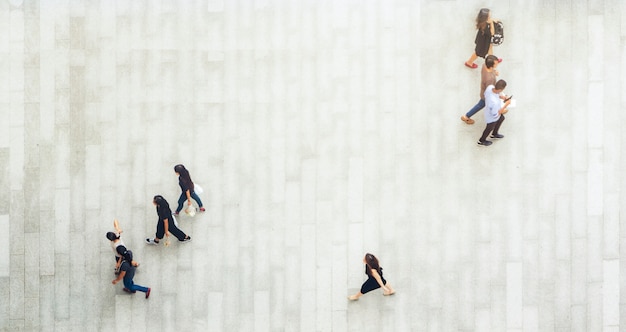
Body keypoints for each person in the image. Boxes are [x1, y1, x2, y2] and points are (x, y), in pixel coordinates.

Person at [461, 55, 500, 124]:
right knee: (481, 105)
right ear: (491, 65)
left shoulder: (484, 65)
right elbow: (490, 91)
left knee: (481, 104)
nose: (497, 64)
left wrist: (494, 72)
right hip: (486, 96)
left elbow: (490, 71)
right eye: (496, 63)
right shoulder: (490, 79)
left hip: (483, 90)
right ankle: (466, 116)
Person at [478, 79, 510, 146]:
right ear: (501, 89)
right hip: (491, 118)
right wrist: (506, 104)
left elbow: (488, 94)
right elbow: (495, 114)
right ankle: (481, 141)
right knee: (489, 128)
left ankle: (494, 134)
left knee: (501, 118)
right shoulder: (494, 103)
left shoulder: (490, 87)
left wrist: (502, 97)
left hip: (488, 111)